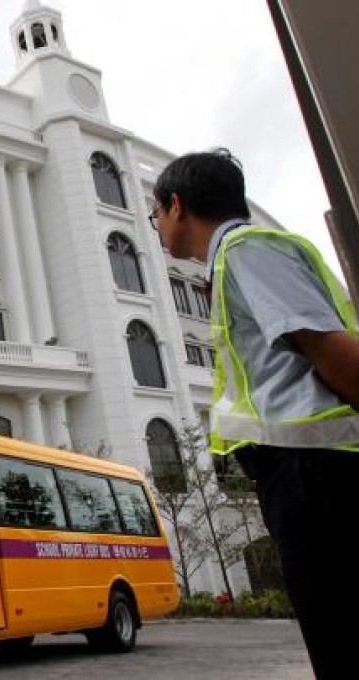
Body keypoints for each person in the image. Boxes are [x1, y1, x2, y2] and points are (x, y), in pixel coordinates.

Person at [151, 148, 359, 680]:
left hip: (315, 472)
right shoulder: (234, 259)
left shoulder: (247, 251)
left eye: (155, 212)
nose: (154, 224)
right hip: (306, 472)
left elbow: (325, 345)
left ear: (177, 206)